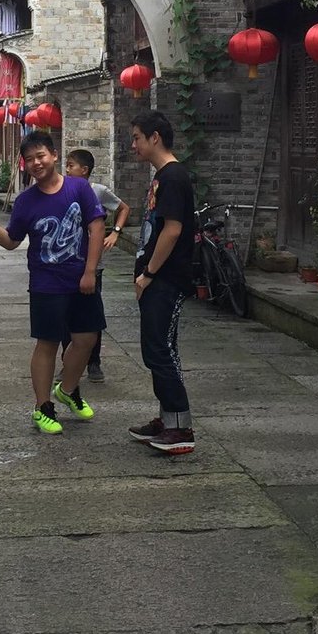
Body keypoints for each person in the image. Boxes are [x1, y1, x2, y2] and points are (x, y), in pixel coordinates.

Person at [0, 130, 106, 434]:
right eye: (29, 159)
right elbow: (11, 242)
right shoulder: (25, 202)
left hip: (81, 279)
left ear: (54, 155)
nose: (36, 163)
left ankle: (68, 389)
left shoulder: (79, 188)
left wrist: (89, 271)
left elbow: (96, 229)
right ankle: (42, 407)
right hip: (46, 283)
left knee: (86, 339)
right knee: (47, 343)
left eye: (41, 156)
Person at [127, 111, 197, 455]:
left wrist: (149, 273)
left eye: (137, 137)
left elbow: (173, 229)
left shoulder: (173, 177)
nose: (134, 145)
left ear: (155, 137)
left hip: (166, 278)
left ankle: (180, 428)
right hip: (157, 278)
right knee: (157, 350)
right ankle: (167, 419)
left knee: (160, 351)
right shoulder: (163, 176)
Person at [61, 149, 131, 382]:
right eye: (67, 166)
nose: (67, 170)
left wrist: (116, 234)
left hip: (93, 265)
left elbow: (123, 208)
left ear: (85, 170)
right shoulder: (60, 191)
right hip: (67, 264)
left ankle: (94, 362)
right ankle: (68, 363)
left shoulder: (98, 192)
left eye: (71, 166)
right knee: (65, 317)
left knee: (91, 316)